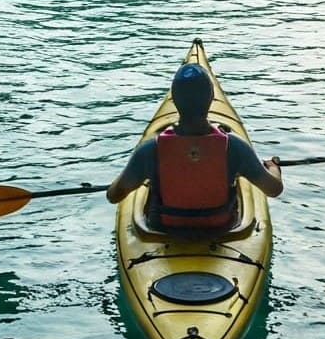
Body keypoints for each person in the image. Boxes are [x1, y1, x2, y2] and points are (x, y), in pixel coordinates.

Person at [107, 62, 283, 231]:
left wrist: (129, 174)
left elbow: (113, 196)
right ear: (211, 98)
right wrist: (274, 168)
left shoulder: (149, 150)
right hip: (220, 229)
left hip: (164, 229)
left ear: (174, 100)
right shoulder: (235, 147)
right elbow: (274, 190)